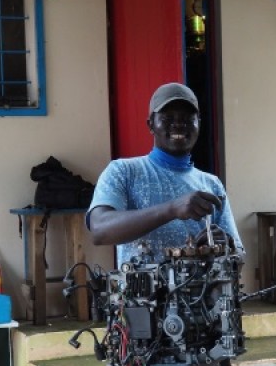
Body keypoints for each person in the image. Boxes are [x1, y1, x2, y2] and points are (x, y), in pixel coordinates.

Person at [87, 82, 243, 264]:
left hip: (201, 292)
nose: (178, 124)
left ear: (198, 125)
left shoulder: (211, 184)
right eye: (168, 118)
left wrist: (225, 246)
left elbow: (239, 256)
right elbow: (99, 230)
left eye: (187, 118)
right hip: (143, 293)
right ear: (151, 124)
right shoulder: (123, 171)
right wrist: (172, 209)